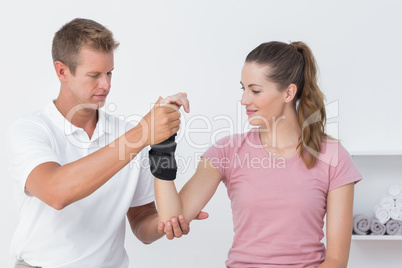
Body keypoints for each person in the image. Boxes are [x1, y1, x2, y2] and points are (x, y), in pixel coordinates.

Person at [6, 18, 205, 268]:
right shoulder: (29, 130)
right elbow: (56, 192)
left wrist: (166, 223)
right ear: (61, 71)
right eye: (94, 75)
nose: (106, 85)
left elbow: (141, 220)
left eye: (109, 73)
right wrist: (143, 133)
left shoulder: (126, 134)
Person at [154, 41, 363, 267]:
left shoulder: (333, 156)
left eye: (255, 90)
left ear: (288, 93)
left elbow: (336, 260)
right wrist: (161, 143)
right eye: (243, 89)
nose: (244, 100)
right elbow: (172, 218)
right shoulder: (227, 151)